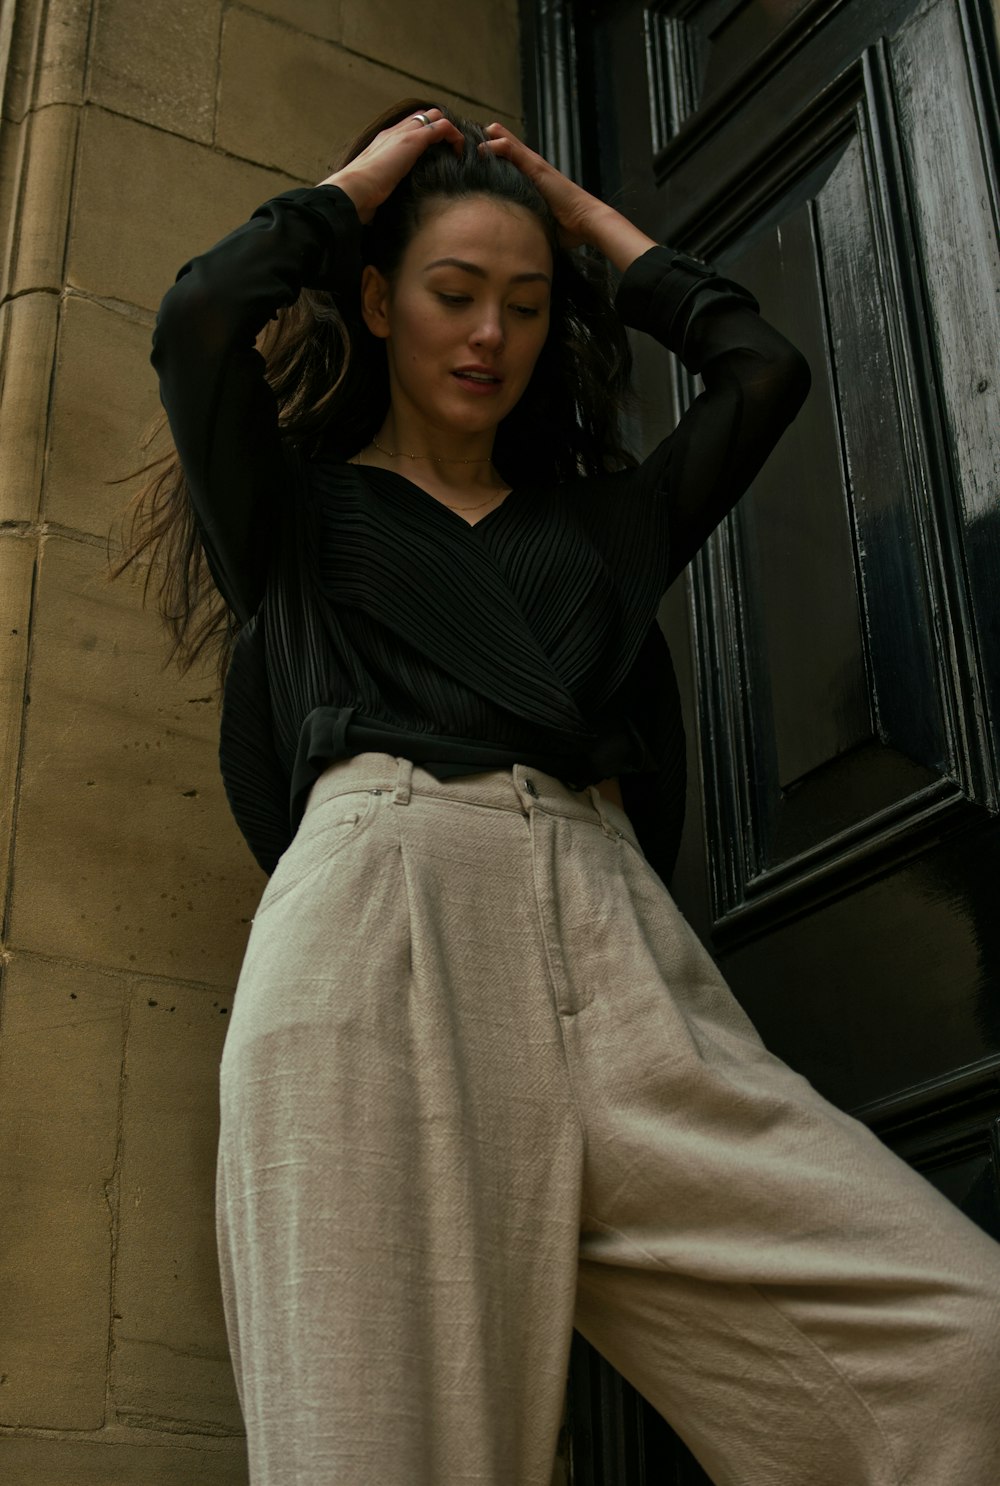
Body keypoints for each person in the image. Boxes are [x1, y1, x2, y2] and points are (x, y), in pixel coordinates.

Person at [121, 99, 1000, 1486]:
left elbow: (760, 370)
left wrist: (585, 220)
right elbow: (200, 318)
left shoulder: (605, 523)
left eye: (526, 306)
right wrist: (364, 184)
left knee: (964, 1349)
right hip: (379, 928)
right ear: (375, 297)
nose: (490, 336)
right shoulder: (291, 514)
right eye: (454, 293)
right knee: (377, 1448)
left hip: (616, 942)